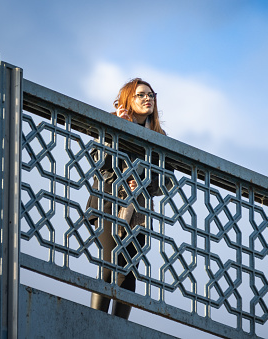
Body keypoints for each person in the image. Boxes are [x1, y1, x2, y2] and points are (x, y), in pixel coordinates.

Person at [86, 78, 167, 319]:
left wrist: (144, 183)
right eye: (141, 94)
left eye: (151, 95)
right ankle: (96, 322)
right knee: (110, 264)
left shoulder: (159, 136)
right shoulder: (111, 122)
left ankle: (120, 327)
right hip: (108, 203)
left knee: (130, 270)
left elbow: (165, 180)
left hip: (138, 210)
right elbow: (98, 161)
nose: (147, 98)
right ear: (127, 99)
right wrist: (115, 130)